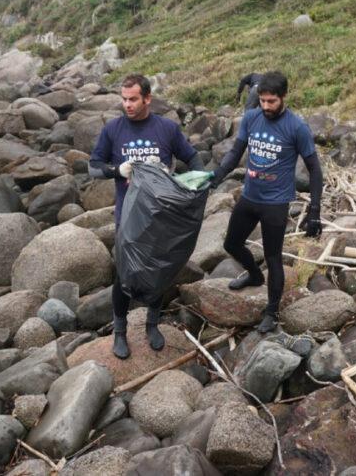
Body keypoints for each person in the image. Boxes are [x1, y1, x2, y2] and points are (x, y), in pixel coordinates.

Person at [89, 74, 205, 359]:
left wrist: (183, 181)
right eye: (124, 99)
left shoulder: (166, 129)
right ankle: (120, 331)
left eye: (133, 99)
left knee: (159, 271)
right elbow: (93, 167)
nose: (127, 104)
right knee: (124, 275)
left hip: (161, 216)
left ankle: (153, 324)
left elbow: (195, 160)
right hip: (128, 216)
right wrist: (119, 170)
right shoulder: (114, 129)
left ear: (147, 98)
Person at [212, 71, 323, 333]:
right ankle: (253, 274)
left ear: (283, 97)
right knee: (231, 243)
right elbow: (235, 152)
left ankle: (272, 312)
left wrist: (315, 211)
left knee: (273, 258)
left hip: (275, 203)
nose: (266, 107)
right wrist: (216, 176)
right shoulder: (251, 118)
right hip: (250, 195)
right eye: (262, 101)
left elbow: (315, 170)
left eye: (271, 102)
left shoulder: (296, 127)